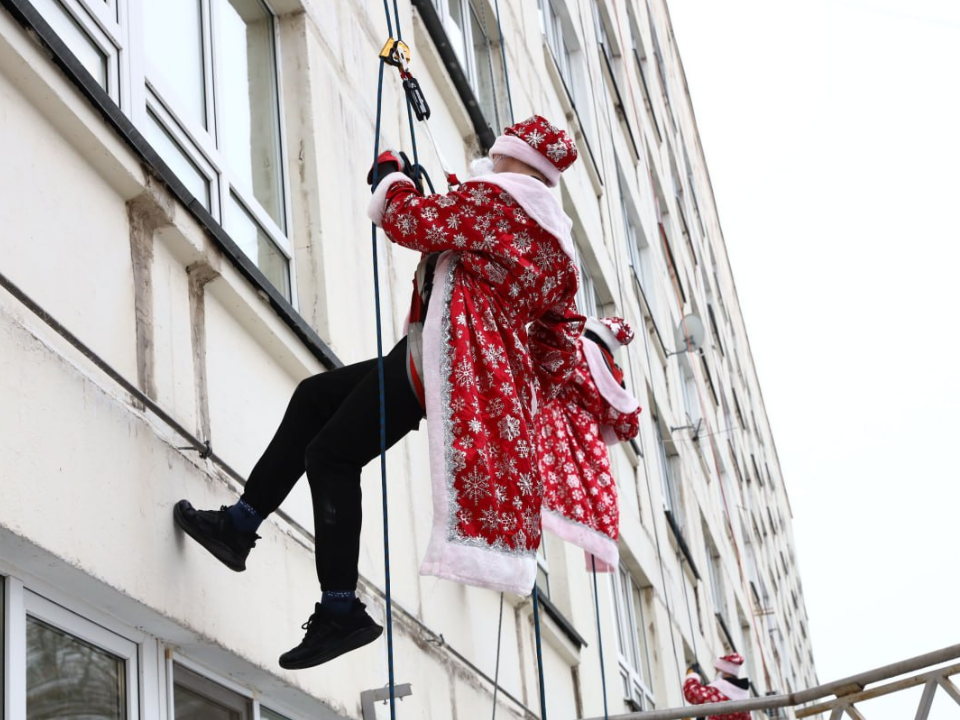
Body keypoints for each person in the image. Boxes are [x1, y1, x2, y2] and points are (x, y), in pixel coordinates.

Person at [173, 115, 584, 670]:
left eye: (499, 151)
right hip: (460, 368)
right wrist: (516, 382)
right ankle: (239, 526)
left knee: (332, 455)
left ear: (517, 161)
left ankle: (340, 610)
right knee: (316, 397)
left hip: (442, 360)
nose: (490, 156)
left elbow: (411, 222)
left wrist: (391, 179)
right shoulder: (555, 248)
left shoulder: (497, 204)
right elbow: (561, 341)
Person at [538, 316, 641, 571]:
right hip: (591, 444)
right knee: (595, 497)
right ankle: (597, 547)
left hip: (551, 425)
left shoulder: (573, 350)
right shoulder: (613, 378)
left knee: (540, 477)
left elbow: (540, 350)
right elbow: (627, 423)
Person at [683, 653, 751, 720]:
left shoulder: (720, 693)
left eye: (717, 671)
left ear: (724, 672)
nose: (715, 674)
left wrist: (692, 675)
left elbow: (691, 693)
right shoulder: (743, 700)